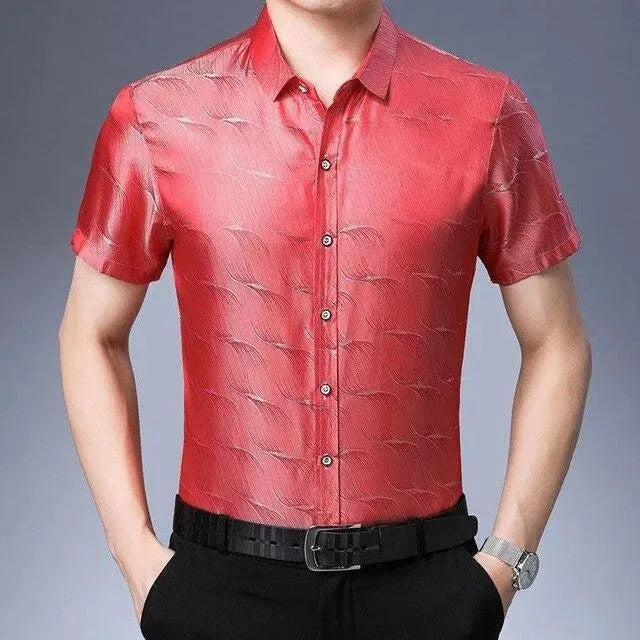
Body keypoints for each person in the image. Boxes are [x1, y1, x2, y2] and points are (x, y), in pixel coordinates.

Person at [58, 0, 592, 638]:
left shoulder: (487, 113)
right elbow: (90, 334)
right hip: (219, 592)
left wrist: (505, 561)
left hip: (427, 594)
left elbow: (557, 342)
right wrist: (135, 556)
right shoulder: (155, 116)